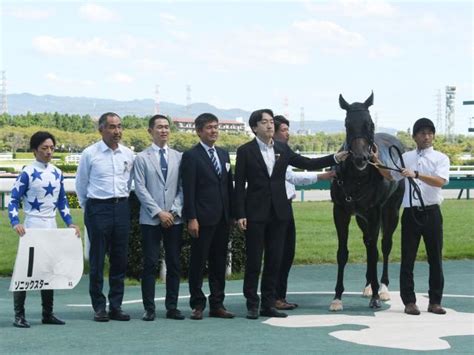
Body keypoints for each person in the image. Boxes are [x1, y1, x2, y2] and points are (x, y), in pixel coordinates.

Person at [234, 109, 348, 319]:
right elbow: (239, 185)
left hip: (280, 213)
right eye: (264, 122)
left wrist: (334, 157)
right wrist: (240, 213)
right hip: (255, 213)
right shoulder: (245, 151)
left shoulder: (282, 149)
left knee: (274, 260)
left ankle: (268, 304)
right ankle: (252, 303)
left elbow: (306, 162)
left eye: (270, 122)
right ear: (254, 128)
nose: (269, 125)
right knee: (254, 261)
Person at [8, 131, 80, 328]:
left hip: (51, 227)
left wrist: (69, 223)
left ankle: (47, 313)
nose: (49, 152)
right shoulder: (27, 172)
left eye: (52, 148)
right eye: (44, 148)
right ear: (34, 151)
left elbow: (62, 201)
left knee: (49, 270)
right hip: (31, 227)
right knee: (25, 271)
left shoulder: (57, 172)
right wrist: (16, 222)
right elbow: (13, 200)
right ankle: (19, 315)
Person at [272, 115, 336, 310]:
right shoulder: (270, 152)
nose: (287, 133)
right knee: (277, 255)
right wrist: (322, 175)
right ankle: (272, 297)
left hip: (286, 207)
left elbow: (296, 172)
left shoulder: (284, 151)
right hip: (274, 209)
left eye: (287, 129)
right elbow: (293, 176)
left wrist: (326, 169)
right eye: (283, 130)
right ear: (273, 132)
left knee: (287, 254)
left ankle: (279, 297)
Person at [75, 112, 134, 322]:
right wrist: (88, 208)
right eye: (111, 127)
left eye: (119, 126)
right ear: (101, 129)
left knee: (120, 259)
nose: (116, 131)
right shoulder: (90, 154)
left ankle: (116, 306)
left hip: (121, 207)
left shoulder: (128, 154)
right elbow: (81, 185)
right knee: (98, 260)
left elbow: (129, 183)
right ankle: (99, 307)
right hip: (98, 208)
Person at [391, 118, 449, 316]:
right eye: (422, 133)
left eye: (430, 133)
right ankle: (409, 302)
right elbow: (391, 176)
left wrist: (416, 174)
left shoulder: (441, 158)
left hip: (432, 212)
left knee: (435, 258)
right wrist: (376, 161)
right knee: (408, 259)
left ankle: (435, 302)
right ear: (414, 136)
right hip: (410, 213)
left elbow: (440, 181)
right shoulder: (406, 157)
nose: (427, 136)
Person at [181, 113, 235, 320]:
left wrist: (233, 214)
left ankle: (217, 304)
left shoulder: (223, 154)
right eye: (209, 128)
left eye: (216, 127)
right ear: (199, 131)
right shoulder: (191, 156)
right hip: (201, 220)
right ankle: (197, 304)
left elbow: (228, 186)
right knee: (198, 262)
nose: (214, 131)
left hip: (222, 219)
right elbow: (189, 189)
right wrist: (191, 218)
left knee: (219, 262)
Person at [133, 114, 185, 321]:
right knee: (150, 263)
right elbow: (140, 188)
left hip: (175, 219)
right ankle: (149, 308)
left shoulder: (179, 157)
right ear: (150, 131)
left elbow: (183, 188)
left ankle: (172, 307)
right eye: (159, 127)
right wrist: (158, 212)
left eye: (166, 127)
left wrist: (173, 210)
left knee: (174, 263)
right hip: (151, 219)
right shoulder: (141, 158)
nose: (163, 130)